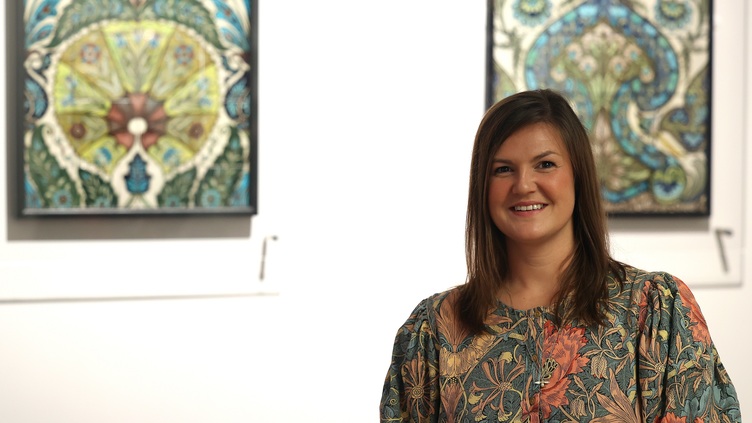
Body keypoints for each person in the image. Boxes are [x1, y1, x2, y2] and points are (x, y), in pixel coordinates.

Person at [379, 89, 740, 422]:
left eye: (545, 164)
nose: (523, 185)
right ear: (482, 186)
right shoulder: (433, 332)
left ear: (578, 175)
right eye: (503, 169)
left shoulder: (655, 311)